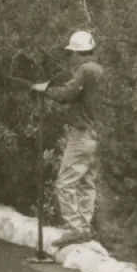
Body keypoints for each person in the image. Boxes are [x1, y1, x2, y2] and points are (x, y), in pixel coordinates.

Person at [31, 30, 105, 247]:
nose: (70, 59)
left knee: (65, 183)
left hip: (82, 134)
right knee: (87, 183)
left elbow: (67, 94)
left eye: (70, 54)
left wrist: (45, 89)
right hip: (99, 134)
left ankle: (75, 229)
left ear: (76, 53)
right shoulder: (100, 70)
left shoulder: (85, 69)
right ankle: (84, 228)